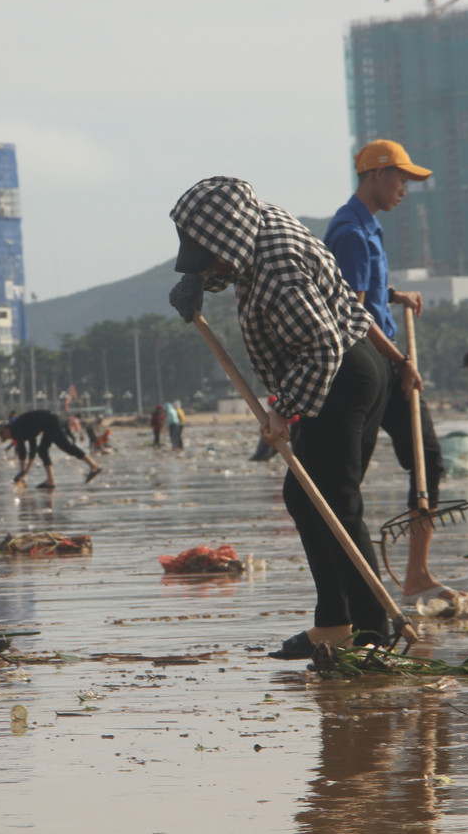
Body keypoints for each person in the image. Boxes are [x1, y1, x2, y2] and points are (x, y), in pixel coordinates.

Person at [168, 176, 421, 657]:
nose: (213, 263)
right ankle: (336, 621)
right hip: (345, 367)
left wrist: (283, 408)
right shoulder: (258, 225)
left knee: (332, 501)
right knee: (308, 496)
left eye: (209, 255)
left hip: (343, 372)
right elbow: (231, 263)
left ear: (228, 235)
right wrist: (198, 279)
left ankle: (369, 630)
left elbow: (322, 346)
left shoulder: (280, 270)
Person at [322, 139, 453, 603]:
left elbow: (364, 292)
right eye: (401, 178)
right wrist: (401, 362)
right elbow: (353, 315)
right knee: (349, 477)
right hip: (371, 366)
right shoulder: (351, 233)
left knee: (427, 459)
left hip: (386, 361)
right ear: (377, 174)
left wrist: (394, 295)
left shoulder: (367, 228)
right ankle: (347, 581)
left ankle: (417, 574)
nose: (404, 189)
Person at [0, 408, 103, 489]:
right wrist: (23, 472)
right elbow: (29, 446)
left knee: (67, 447)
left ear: (5, 429)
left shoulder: (15, 429)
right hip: (48, 423)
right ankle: (50, 480)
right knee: (43, 450)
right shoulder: (17, 428)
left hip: (50, 421)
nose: (7, 438)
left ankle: (94, 466)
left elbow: (25, 451)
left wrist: (24, 472)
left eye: (4, 436)